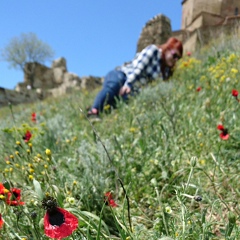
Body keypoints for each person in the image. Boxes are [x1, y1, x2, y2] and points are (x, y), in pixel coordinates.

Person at [87, 37, 183, 121]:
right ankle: (93, 111)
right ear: (167, 49)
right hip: (123, 75)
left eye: (178, 58)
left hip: (134, 91)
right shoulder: (154, 51)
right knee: (114, 85)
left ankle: (92, 112)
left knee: (119, 104)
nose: (175, 60)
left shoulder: (166, 72)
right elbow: (139, 67)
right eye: (174, 55)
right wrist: (128, 84)